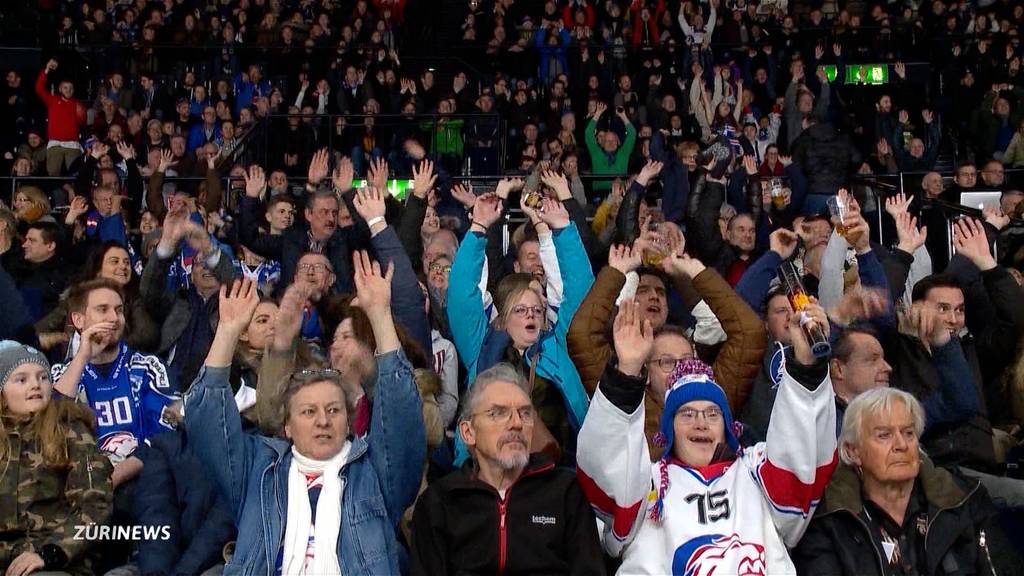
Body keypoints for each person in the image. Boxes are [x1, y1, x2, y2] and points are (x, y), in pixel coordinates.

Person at [185, 267, 424, 572]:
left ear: (349, 423)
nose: (323, 420)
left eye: (334, 410)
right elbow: (205, 420)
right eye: (308, 412)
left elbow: (402, 415)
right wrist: (229, 331)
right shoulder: (258, 471)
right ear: (287, 427)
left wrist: (379, 317)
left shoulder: (373, 473)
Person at [576, 295, 837, 574]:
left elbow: (799, 456)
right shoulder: (647, 485)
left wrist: (807, 365)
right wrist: (626, 371)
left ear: (728, 427)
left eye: (713, 414)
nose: (701, 423)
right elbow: (608, 477)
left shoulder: (757, 474)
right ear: (668, 430)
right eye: (687, 414)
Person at [793, 387, 1021, 575]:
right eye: (884, 435)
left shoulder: (965, 500)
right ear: (853, 452)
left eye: (909, 433)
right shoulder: (830, 520)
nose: (901, 444)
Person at [409, 364, 605, 575]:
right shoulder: (439, 503)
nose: (516, 423)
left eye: (525, 413)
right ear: (468, 432)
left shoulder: (566, 491)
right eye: (499, 413)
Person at [447, 185, 594, 465]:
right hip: (487, 473)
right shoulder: (482, 346)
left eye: (537, 310)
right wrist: (478, 227)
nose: (531, 315)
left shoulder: (557, 344)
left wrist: (563, 227)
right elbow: (461, 294)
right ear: (502, 319)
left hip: (556, 472)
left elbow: (580, 291)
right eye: (521, 309)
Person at [51, 279, 179, 488]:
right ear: (78, 319)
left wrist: (120, 472)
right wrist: (82, 357)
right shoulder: (61, 375)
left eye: (118, 310)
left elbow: (167, 430)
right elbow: (49, 427)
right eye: (103, 310)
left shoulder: (148, 367)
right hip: (80, 485)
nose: (114, 318)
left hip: (145, 480)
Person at [0, 341, 113, 575]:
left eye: (43, 377)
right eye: (22, 380)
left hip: (56, 558)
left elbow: (95, 504)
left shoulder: (70, 430)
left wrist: (50, 553)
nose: (35, 385)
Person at [34, 59, 86, 176]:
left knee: (75, 174)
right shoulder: (52, 100)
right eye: (65, 87)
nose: (68, 90)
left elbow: (82, 123)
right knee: (53, 173)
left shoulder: (78, 104)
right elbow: (39, 88)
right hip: (55, 144)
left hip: (72, 144)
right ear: (60, 89)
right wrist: (47, 69)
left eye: (71, 88)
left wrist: (81, 114)